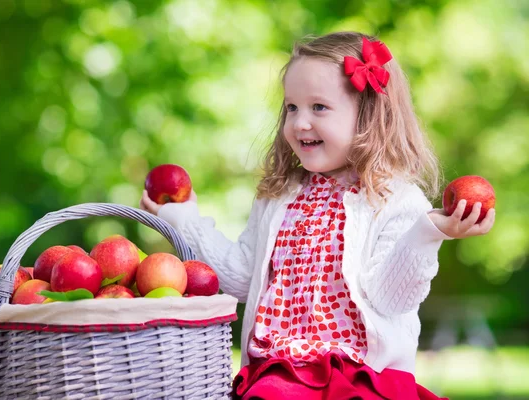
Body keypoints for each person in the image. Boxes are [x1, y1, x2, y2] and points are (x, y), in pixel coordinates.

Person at [139, 31, 496, 400]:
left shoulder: (397, 199)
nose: (299, 123)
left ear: (369, 116)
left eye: (318, 108)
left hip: (360, 376)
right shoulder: (279, 197)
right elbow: (240, 277)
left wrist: (428, 231)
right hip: (279, 374)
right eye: (292, 108)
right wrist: (183, 220)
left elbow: (391, 299)